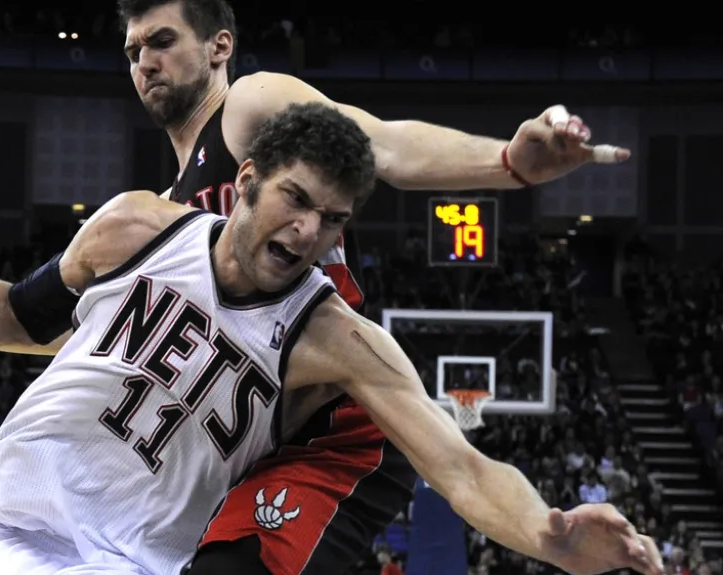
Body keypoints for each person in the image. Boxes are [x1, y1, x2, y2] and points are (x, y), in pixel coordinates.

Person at [0, 104, 660, 575]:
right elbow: (18, 316)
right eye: (296, 201)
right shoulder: (134, 228)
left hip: (136, 562)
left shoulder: (335, 337)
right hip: (7, 538)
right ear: (251, 179)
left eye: (332, 221)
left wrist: (547, 531)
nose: (308, 233)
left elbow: (458, 468)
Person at [115, 0, 632, 573]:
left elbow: (382, 146)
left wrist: (506, 163)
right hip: (242, 445)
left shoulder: (247, 108)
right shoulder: (165, 210)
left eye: (162, 41)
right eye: (134, 51)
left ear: (219, 47)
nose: (146, 62)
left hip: (338, 432)